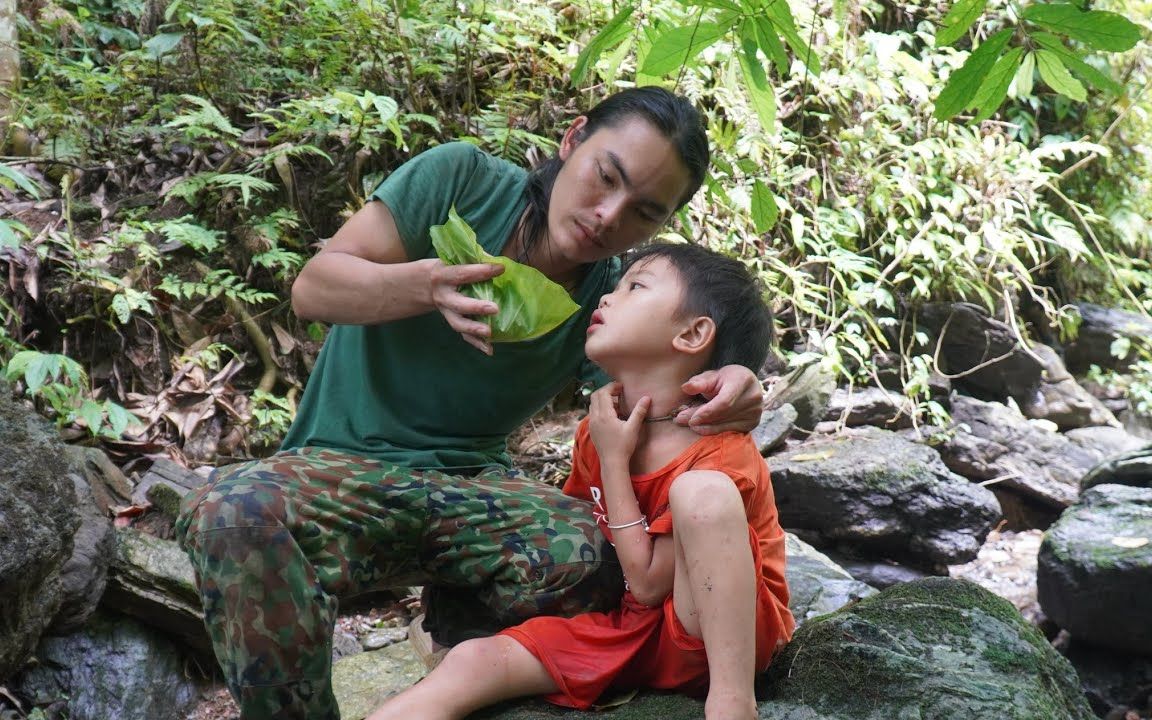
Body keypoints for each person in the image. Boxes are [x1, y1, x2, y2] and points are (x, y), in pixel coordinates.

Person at [175, 86, 767, 719]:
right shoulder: (462, 181)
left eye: (643, 212)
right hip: (337, 470)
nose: (608, 215)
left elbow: (649, 399)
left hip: (473, 489)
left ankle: (457, 656)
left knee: (592, 559)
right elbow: (314, 289)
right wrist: (424, 283)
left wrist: (735, 380)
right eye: (605, 177)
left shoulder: (604, 299)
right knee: (231, 511)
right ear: (572, 141)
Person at [367, 243, 794, 720]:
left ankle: (733, 703)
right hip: (630, 628)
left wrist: (614, 463)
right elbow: (584, 546)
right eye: (614, 287)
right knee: (474, 660)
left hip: (715, 631)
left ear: (693, 334)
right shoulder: (599, 429)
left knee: (702, 493)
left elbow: (652, 583)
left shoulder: (719, 448)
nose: (608, 298)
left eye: (635, 287)